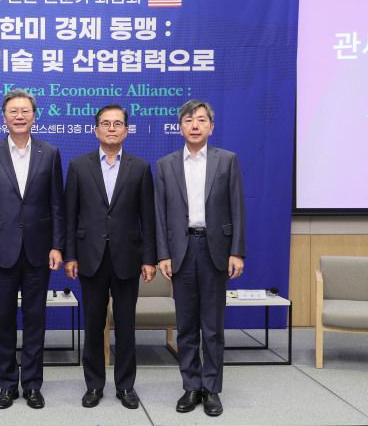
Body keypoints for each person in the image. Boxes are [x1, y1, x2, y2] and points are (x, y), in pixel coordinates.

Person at [0, 88, 65, 409]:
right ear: (4, 117)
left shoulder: (49, 153)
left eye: (25, 111)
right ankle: (8, 385)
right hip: (0, 252)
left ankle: (33, 385)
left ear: (34, 116)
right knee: (5, 321)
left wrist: (57, 245)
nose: (20, 116)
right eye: (13, 111)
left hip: (39, 250)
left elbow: (57, 205)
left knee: (36, 320)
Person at [154, 99, 245, 417]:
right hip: (181, 251)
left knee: (213, 326)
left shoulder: (227, 160)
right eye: (189, 120)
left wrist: (236, 251)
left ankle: (212, 389)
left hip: (215, 249)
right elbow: (159, 214)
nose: (195, 125)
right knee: (186, 325)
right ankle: (191, 386)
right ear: (180, 127)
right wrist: (162, 254)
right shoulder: (165, 165)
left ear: (211, 127)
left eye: (201, 120)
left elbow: (237, 207)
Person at [64, 104, 156, 409]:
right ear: (96, 130)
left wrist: (149, 259)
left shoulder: (140, 167)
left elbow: (148, 217)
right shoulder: (79, 166)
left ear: (127, 131)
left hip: (128, 256)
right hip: (90, 257)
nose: (112, 128)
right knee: (93, 324)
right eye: (106, 123)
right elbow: (70, 215)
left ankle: (126, 386)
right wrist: (70, 255)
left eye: (118, 124)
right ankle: (94, 384)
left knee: (126, 324)